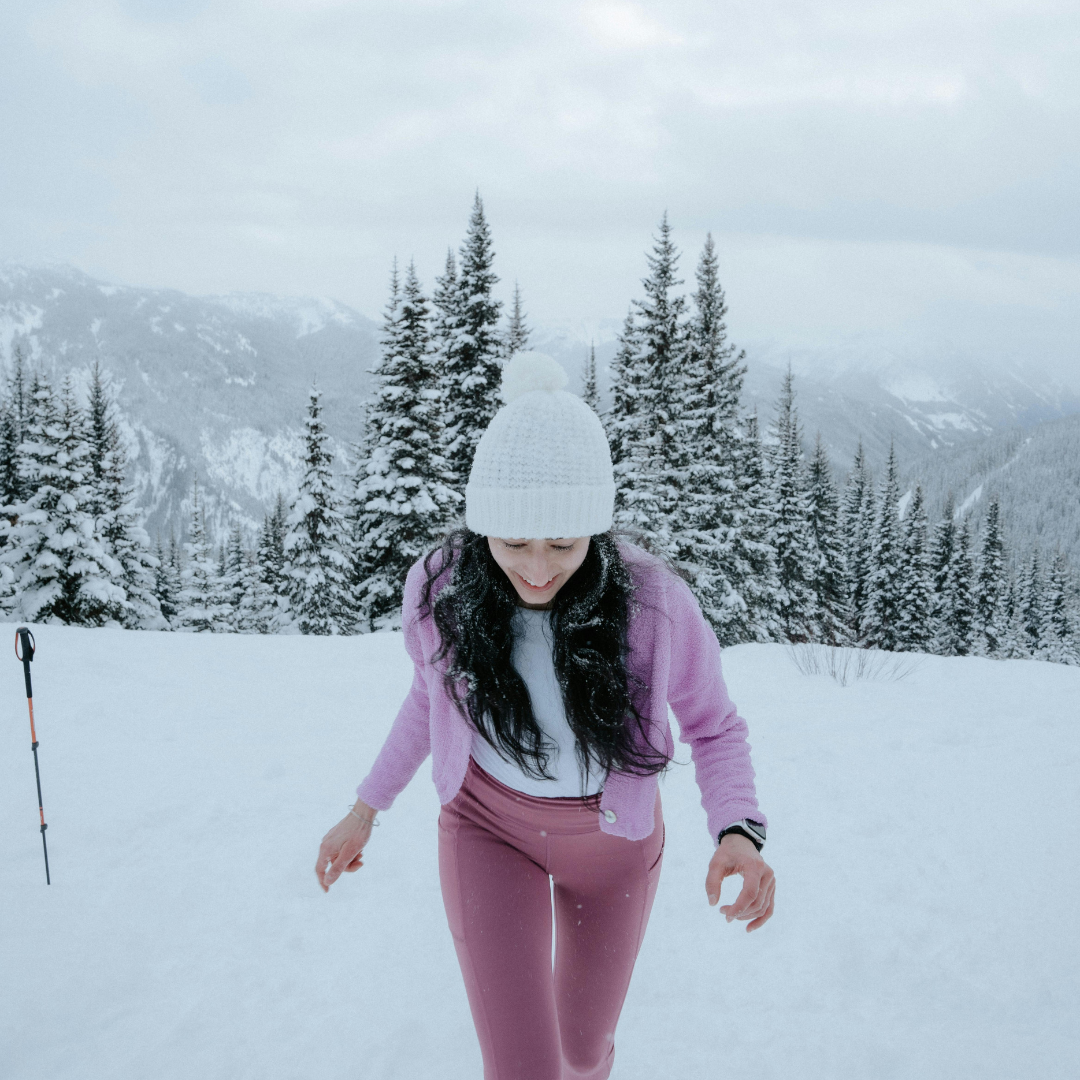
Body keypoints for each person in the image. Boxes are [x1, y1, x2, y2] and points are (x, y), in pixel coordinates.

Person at [315, 351, 775, 1080]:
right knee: (524, 1067)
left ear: (593, 529)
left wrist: (739, 833)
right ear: (481, 530)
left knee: (579, 1053)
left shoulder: (655, 609)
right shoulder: (443, 591)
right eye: (512, 542)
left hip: (614, 850)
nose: (535, 567)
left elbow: (714, 726)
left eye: (561, 543)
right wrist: (365, 809)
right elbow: (425, 701)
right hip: (487, 831)